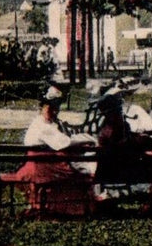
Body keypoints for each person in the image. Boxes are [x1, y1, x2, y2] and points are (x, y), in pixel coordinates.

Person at [15, 86, 97, 216]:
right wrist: (85, 139)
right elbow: (64, 143)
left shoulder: (41, 123)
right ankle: (72, 207)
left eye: (56, 107)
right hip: (43, 168)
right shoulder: (42, 126)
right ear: (42, 107)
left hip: (41, 164)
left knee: (77, 166)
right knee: (79, 171)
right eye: (50, 108)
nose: (54, 111)